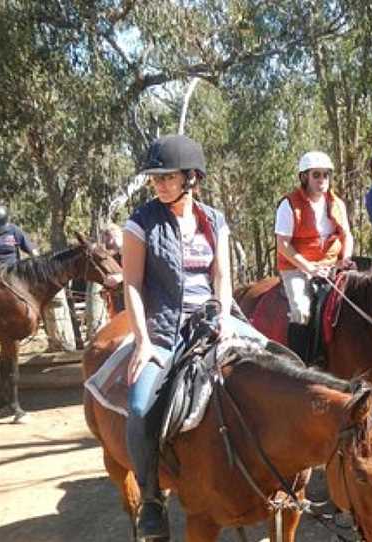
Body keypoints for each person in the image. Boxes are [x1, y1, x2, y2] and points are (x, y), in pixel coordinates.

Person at [123, 134, 267, 540]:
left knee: (276, 359)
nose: (160, 184)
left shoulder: (214, 220)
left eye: (168, 177)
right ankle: (151, 499)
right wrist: (142, 341)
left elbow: (221, 275)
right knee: (138, 405)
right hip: (164, 329)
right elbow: (131, 284)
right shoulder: (141, 223)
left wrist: (224, 313)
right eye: (155, 179)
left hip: (211, 318)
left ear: (192, 178)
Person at [274, 151, 354, 358]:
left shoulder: (337, 203)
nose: (322, 180)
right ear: (304, 177)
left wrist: (345, 259)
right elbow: (283, 245)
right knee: (302, 311)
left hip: (333, 265)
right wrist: (309, 268)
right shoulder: (289, 205)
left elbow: (347, 235)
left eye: (325, 175)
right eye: (316, 175)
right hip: (297, 267)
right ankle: (299, 363)